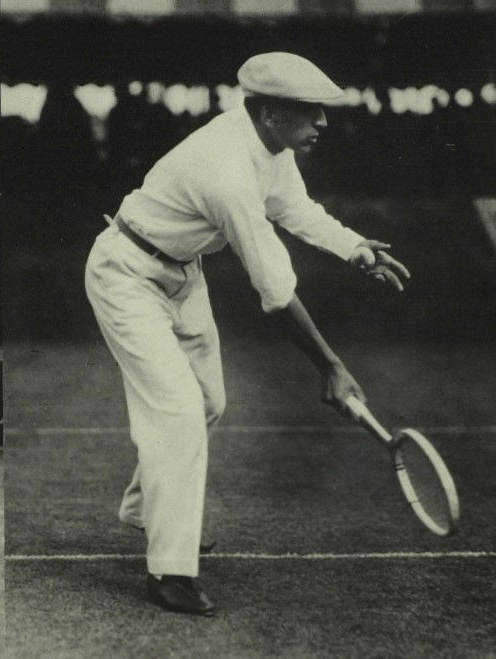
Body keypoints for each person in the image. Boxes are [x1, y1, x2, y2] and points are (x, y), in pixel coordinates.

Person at [83, 53, 411, 617]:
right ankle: (170, 573)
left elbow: (296, 209)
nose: (323, 124)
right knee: (180, 411)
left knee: (209, 400)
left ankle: (145, 510)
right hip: (125, 275)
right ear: (267, 113)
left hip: (182, 274)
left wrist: (354, 247)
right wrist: (331, 366)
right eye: (310, 112)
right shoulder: (226, 170)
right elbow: (276, 291)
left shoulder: (270, 146)